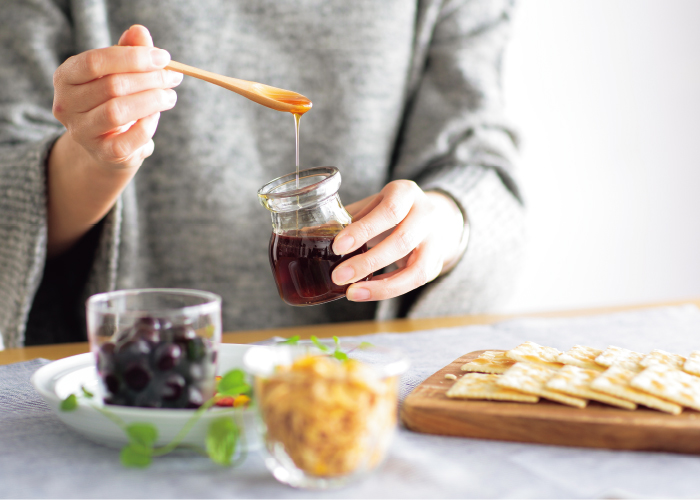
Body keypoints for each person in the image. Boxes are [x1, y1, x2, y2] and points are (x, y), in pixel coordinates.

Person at [0, 0, 524, 349]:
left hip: (355, 385)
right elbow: (10, 191)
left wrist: (446, 219)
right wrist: (96, 157)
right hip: (132, 375)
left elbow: (475, 153)